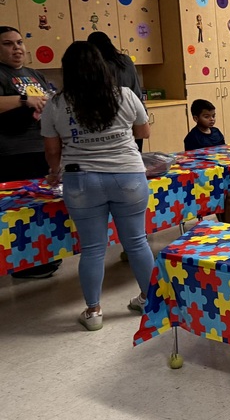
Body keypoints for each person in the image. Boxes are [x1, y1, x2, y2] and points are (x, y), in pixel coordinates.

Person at [40, 42, 155, 330]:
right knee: (137, 241)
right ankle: (149, 299)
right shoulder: (125, 95)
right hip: (127, 175)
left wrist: (54, 173)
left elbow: (52, 150)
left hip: (81, 180)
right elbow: (143, 131)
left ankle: (93, 312)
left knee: (92, 249)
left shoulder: (56, 103)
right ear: (103, 67)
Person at [0, 25, 61, 279]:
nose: (17, 48)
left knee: (42, 206)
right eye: (8, 44)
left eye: (20, 42)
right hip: (11, 152)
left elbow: (51, 97)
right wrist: (23, 100)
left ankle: (45, 257)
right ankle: (23, 264)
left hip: (40, 147)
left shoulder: (34, 73)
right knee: (18, 211)